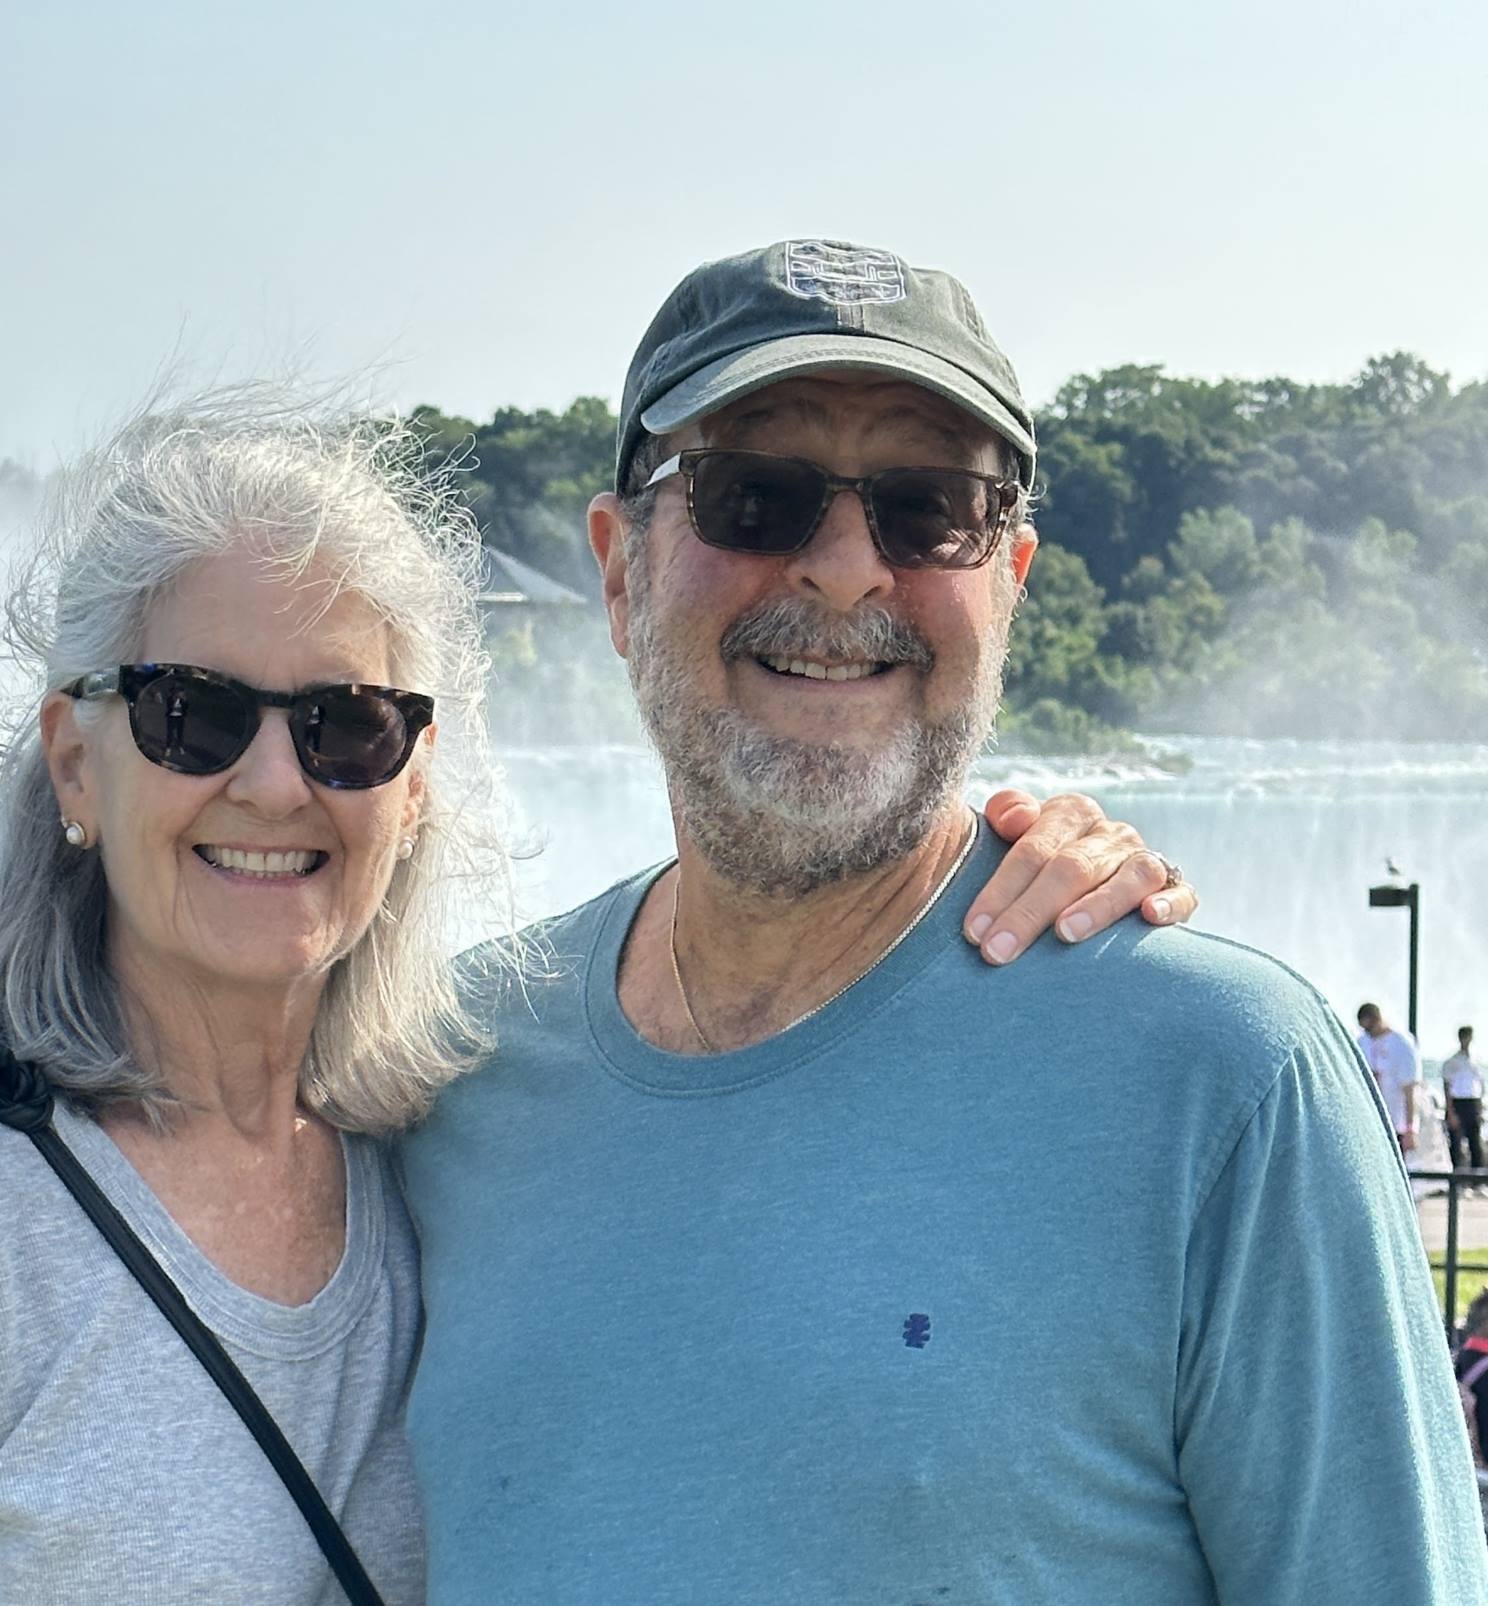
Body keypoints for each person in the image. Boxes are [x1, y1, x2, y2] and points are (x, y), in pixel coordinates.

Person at [0, 390, 1187, 1604]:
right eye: (192, 714)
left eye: (346, 723)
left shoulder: (460, 1132)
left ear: (415, 777)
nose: (273, 780)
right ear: (73, 761)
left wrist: (1026, 863)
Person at [398, 239, 1486, 1603]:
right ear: (617, 573)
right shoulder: (442, 1071)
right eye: (756, 495)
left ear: (1011, 580)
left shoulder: (1226, 1083)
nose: (848, 571)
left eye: (929, 510)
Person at [1359, 1001, 1423, 1157]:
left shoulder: (1402, 1044)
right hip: (1369, 1121)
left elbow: (1410, 1089)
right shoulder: (1362, 1042)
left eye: (1370, 1027)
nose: (1368, 1033)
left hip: (1395, 1121)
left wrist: (1410, 1128)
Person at [1448, 1026, 1485, 1175]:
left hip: (1473, 1102)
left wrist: (1481, 1108)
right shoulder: (1453, 1061)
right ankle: (1457, 1182)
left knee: (1475, 1142)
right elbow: (1447, 1087)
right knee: (1456, 1143)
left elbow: (1481, 1086)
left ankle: (1477, 1181)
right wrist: (1450, 1112)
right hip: (1458, 1102)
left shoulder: (1477, 1061)